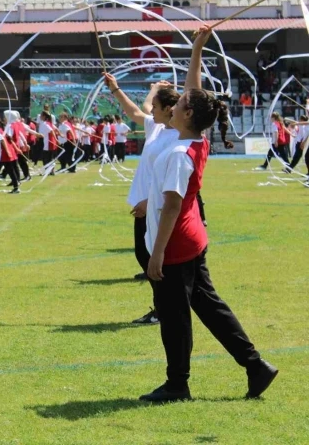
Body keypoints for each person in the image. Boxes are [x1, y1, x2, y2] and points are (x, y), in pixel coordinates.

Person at [140, 25, 277, 403]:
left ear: (184, 116)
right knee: (211, 308)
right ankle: (255, 366)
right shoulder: (193, 137)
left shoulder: (180, 151)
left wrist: (156, 254)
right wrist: (197, 48)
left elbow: (170, 208)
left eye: (180, 103)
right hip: (192, 239)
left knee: (175, 317)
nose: (176, 103)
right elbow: (196, 92)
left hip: (178, 245)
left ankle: (177, 384)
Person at [105, 74, 181, 325]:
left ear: (169, 110)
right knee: (143, 255)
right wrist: (116, 89)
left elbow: (172, 180)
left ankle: (165, 309)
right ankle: (165, 306)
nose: (151, 110)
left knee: (154, 259)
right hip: (143, 205)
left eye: (157, 107)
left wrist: (149, 203)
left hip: (156, 207)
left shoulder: (178, 137)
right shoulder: (157, 127)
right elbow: (137, 111)